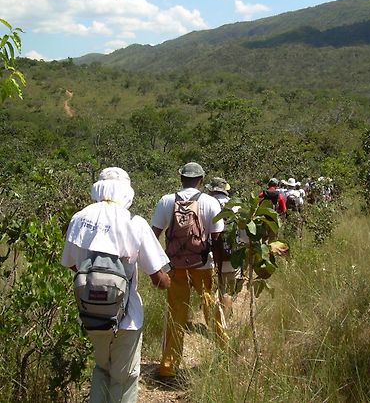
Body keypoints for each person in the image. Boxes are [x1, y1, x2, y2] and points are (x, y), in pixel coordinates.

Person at [61, 167, 171, 403]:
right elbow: (158, 279)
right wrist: (169, 280)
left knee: (101, 369)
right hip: (127, 317)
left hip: (91, 313)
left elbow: (71, 263)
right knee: (125, 376)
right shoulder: (134, 222)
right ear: (126, 191)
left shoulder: (79, 219)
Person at [151, 162, 228, 381]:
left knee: (176, 313)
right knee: (210, 306)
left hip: (175, 267)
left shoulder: (166, 201)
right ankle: (225, 351)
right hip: (203, 266)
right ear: (202, 180)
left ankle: (168, 366)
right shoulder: (210, 202)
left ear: (181, 178)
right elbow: (217, 240)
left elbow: (152, 235)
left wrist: (158, 266)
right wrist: (220, 272)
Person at [205, 176, 240, 322]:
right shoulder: (235, 206)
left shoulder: (207, 204)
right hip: (232, 253)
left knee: (217, 287)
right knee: (229, 289)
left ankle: (218, 320)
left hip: (212, 253)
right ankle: (226, 318)